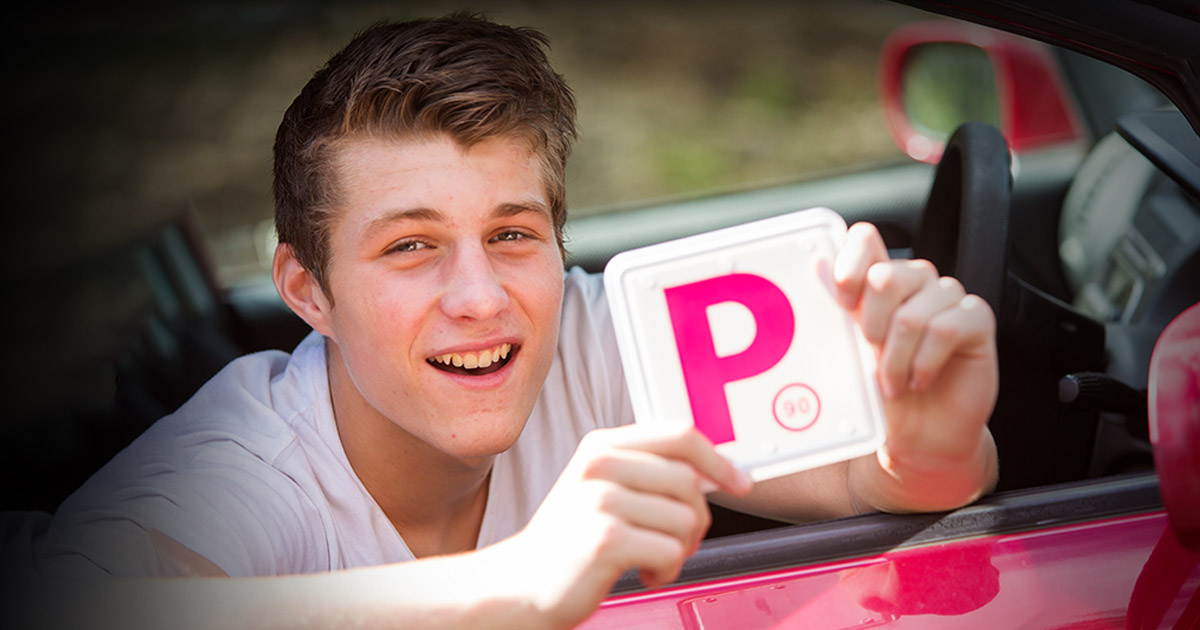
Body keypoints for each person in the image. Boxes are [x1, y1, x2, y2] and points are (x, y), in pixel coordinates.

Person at [19, 13, 998, 629]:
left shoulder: (602, 336)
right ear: (307, 289)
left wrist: (923, 441)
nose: (480, 295)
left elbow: (881, 480)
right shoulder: (239, 466)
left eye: (514, 234)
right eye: (410, 246)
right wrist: (516, 586)